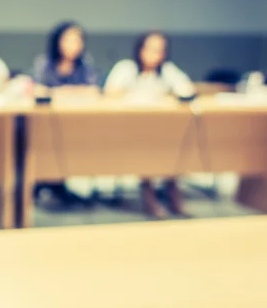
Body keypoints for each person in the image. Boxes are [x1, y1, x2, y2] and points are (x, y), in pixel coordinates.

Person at [104, 31, 196, 218]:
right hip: (130, 131)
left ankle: (173, 192)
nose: (155, 54)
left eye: (160, 50)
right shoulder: (127, 68)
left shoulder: (167, 71)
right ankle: (149, 196)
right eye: (150, 49)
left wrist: (168, 96)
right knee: (147, 145)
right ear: (140, 49)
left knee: (174, 144)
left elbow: (187, 89)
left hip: (163, 131)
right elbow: (109, 92)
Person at [31, 22, 99, 206]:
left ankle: (61, 184)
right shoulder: (44, 63)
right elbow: (39, 91)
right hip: (47, 123)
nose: (73, 45)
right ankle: (47, 182)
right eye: (68, 40)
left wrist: (60, 92)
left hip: (76, 122)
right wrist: (72, 91)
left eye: (77, 40)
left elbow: (92, 91)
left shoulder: (85, 64)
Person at [32, 21, 98, 90]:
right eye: (69, 41)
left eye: (78, 41)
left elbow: (93, 89)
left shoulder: (85, 62)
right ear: (57, 42)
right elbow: (38, 89)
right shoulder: (44, 63)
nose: (74, 46)